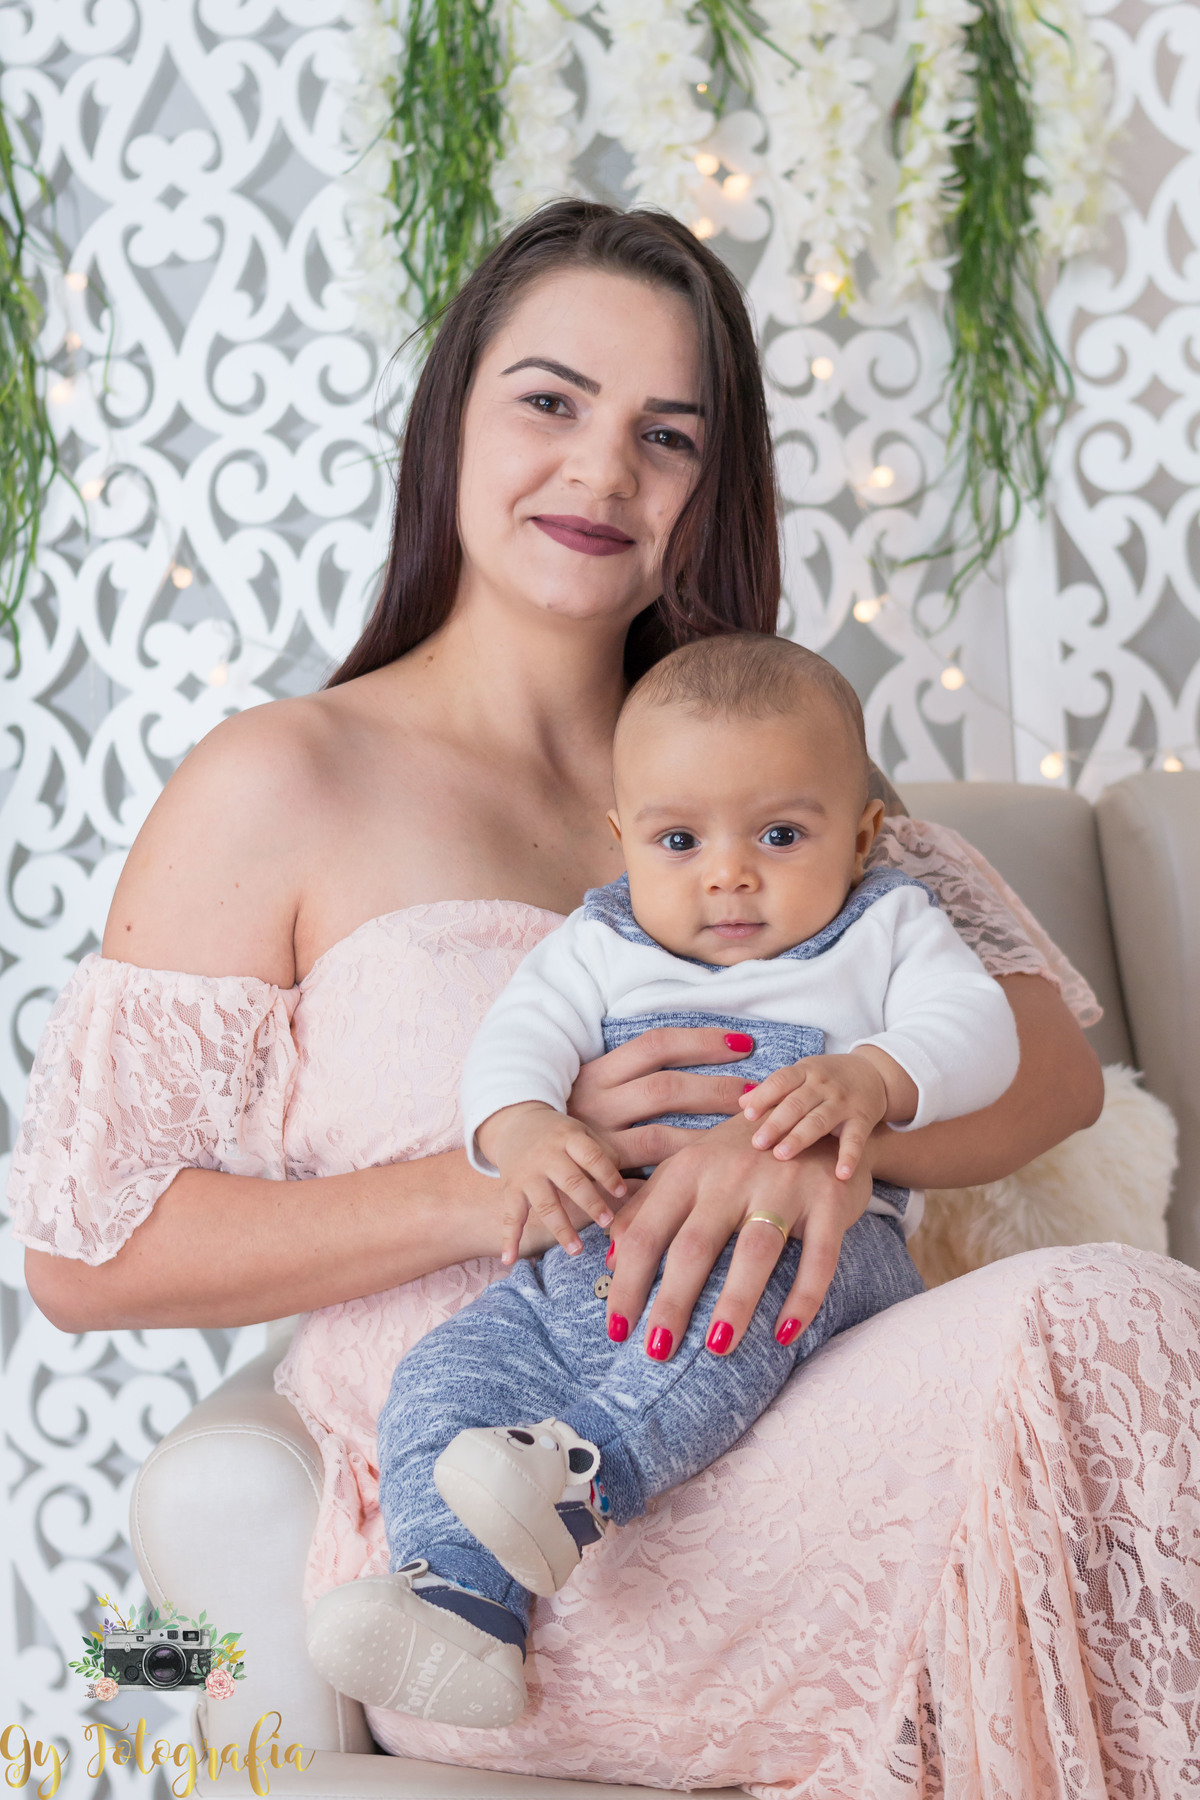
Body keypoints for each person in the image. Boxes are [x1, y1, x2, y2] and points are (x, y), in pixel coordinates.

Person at [9, 201, 1193, 1789]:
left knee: (1108, 1322)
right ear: (454, 421)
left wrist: (806, 1138)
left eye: (668, 435)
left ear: (713, 487)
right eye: (551, 402)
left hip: (822, 1405)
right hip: (533, 1552)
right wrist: (497, 1172)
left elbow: (1045, 1072)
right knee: (1093, 1322)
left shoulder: (757, 758)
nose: (602, 472)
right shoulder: (283, 780)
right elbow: (90, 1251)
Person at [306, 634, 1021, 1728]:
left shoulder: (885, 926)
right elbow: (514, 1045)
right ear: (622, 839)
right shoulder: (601, 942)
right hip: (600, 1250)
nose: (728, 873)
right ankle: (459, 1603)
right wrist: (530, 1127)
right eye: (680, 839)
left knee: (737, 1314)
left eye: (781, 834)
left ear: (863, 835)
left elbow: (983, 1037)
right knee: (449, 1370)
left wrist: (875, 1076)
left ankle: (586, 1474)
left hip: (821, 1254)